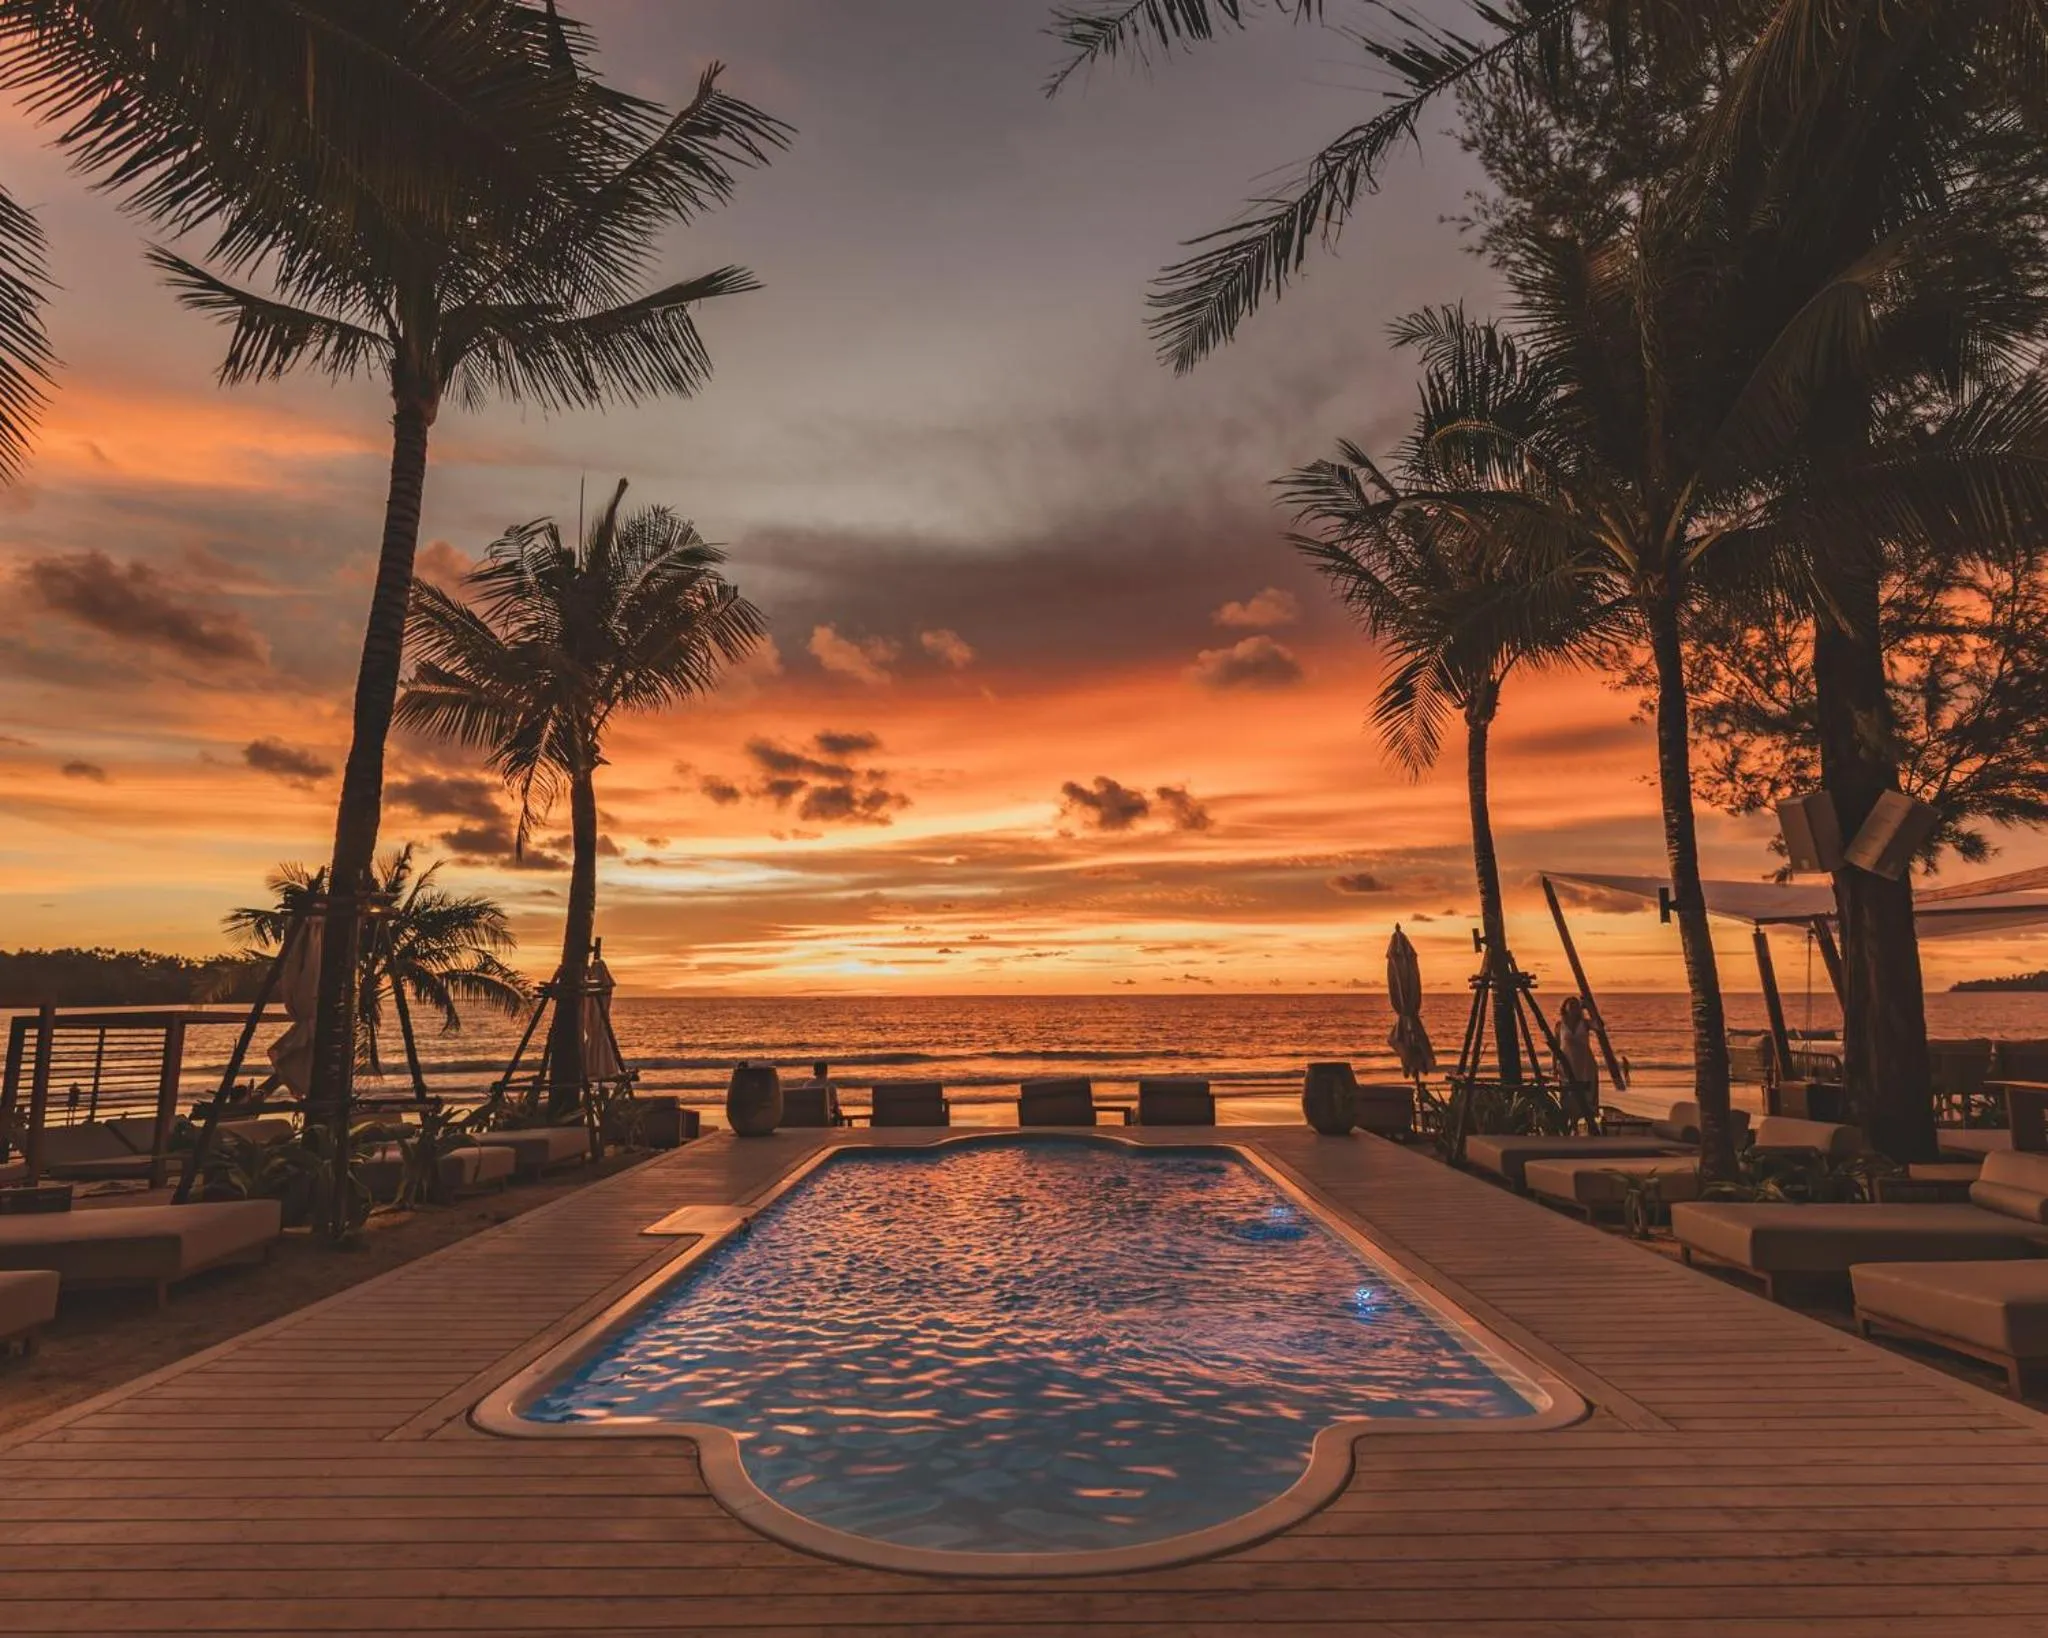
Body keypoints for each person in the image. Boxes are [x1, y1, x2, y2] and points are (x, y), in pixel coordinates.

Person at [1555, 996, 1600, 1129]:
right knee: (1568, 1093)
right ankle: (1570, 1125)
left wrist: (1590, 1007)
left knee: (1587, 1093)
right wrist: (1554, 1066)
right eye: (1571, 1005)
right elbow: (1556, 1047)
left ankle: (1589, 1122)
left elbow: (1600, 1026)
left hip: (1585, 1063)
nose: (1574, 1007)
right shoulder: (1560, 1025)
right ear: (1565, 1007)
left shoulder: (1585, 1023)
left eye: (1576, 1005)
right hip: (1566, 1063)